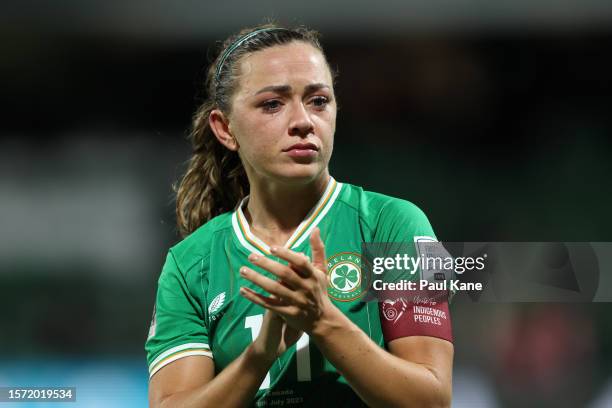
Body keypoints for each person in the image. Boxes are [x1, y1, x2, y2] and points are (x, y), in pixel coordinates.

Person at [145, 23, 454, 408]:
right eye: (272, 104)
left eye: (318, 100)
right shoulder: (189, 264)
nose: (304, 121)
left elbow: (433, 399)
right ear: (225, 128)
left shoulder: (398, 223)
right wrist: (259, 357)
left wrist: (323, 321)